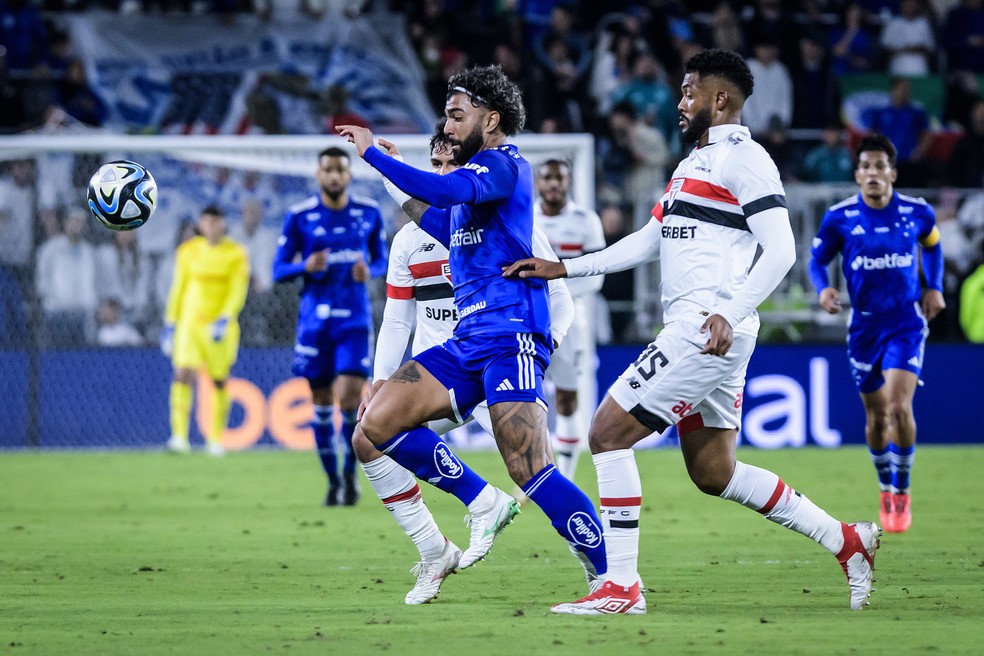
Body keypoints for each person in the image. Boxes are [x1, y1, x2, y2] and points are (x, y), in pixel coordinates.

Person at [504, 49, 881, 615]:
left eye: (688, 93)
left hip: (706, 329)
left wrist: (729, 310)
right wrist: (568, 266)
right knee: (714, 471)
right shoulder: (690, 165)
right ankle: (846, 541)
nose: (680, 104)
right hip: (708, 330)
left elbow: (781, 250)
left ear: (719, 98)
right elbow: (647, 239)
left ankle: (621, 587)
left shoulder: (745, 158)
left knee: (606, 433)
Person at [336, 64, 609, 610]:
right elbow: (436, 220)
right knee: (375, 424)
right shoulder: (471, 192)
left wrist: (374, 155)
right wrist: (391, 178)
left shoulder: (504, 167)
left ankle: (611, 577)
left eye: (457, 115)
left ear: (492, 119)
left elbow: (443, 188)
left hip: (512, 336)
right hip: (467, 341)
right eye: (446, 115)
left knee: (528, 467)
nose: (448, 124)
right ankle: (481, 502)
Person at [809, 133, 945, 534]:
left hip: (905, 321)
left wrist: (933, 285)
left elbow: (933, 246)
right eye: (866, 166)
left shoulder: (918, 212)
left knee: (900, 407)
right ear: (857, 174)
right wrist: (823, 289)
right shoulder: (840, 217)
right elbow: (817, 260)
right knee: (876, 414)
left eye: (880, 166)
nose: (872, 173)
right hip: (865, 325)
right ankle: (884, 482)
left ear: (893, 173)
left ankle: (900, 491)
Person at [272, 146, 388, 506]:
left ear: (349, 174)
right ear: (319, 175)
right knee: (321, 403)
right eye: (328, 169)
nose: (335, 175)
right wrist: (305, 266)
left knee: (351, 400)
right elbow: (277, 270)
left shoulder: (369, 212)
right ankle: (334, 480)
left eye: (341, 169)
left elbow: (383, 258)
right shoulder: (300, 216)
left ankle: (352, 479)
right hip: (314, 324)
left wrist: (370, 271)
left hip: (354, 320)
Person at [532, 158, 605, 480]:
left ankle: (568, 475)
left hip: (572, 319)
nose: (553, 184)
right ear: (538, 182)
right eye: (547, 178)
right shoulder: (523, 217)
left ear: (569, 182)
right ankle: (536, 468)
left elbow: (596, 276)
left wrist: (559, 296)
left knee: (566, 396)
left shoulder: (586, 221)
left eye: (559, 178)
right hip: (528, 316)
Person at [161, 205, 250, 457]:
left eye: (216, 221)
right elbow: (178, 288)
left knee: (219, 381)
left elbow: (237, 289)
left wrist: (225, 318)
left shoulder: (236, 253)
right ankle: (179, 437)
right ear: (200, 224)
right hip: (190, 324)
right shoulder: (187, 251)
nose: (211, 226)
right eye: (207, 221)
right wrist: (170, 322)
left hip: (219, 326)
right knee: (182, 374)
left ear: (224, 224)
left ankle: (215, 439)